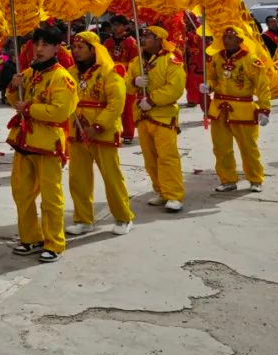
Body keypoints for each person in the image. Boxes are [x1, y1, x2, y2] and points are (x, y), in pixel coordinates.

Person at [5, 26, 78, 263]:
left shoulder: (62, 78)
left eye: (45, 44)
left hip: (47, 144)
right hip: (24, 142)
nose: (39, 49)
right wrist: (13, 87)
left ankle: (54, 242)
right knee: (21, 193)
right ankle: (30, 238)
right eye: (36, 44)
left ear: (57, 48)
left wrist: (29, 108)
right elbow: (14, 101)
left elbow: (60, 112)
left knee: (50, 197)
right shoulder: (28, 73)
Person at [66, 31, 134, 236]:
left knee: (112, 177)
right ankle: (83, 219)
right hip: (77, 131)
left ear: (93, 49)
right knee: (78, 178)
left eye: (80, 47)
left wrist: (97, 126)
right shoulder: (70, 72)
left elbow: (116, 103)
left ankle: (123, 217)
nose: (76, 51)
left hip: (102, 133)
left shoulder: (110, 72)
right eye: (74, 47)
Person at [203, 26, 270, 193]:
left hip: (243, 110)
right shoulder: (216, 57)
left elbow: (262, 85)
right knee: (221, 148)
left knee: (248, 148)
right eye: (225, 37)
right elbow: (212, 77)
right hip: (219, 109)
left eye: (231, 38)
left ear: (240, 40)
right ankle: (227, 180)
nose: (227, 40)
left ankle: (255, 179)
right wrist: (208, 85)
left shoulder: (251, 60)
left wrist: (264, 109)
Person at [127, 25, 187, 212]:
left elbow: (175, 88)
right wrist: (134, 82)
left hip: (163, 115)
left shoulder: (171, 60)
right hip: (142, 115)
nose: (143, 39)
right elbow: (126, 85)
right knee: (150, 158)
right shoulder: (137, 61)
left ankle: (174, 195)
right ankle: (160, 190)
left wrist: (152, 100)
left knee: (167, 157)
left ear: (159, 40)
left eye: (148, 36)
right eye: (143, 35)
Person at [103, 15, 139, 145]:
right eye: (113, 25)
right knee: (111, 106)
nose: (115, 27)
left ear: (125, 26)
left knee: (127, 107)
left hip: (126, 78)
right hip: (111, 78)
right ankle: (114, 132)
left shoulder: (131, 42)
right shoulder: (108, 42)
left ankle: (128, 133)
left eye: (118, 25)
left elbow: (135, 61)